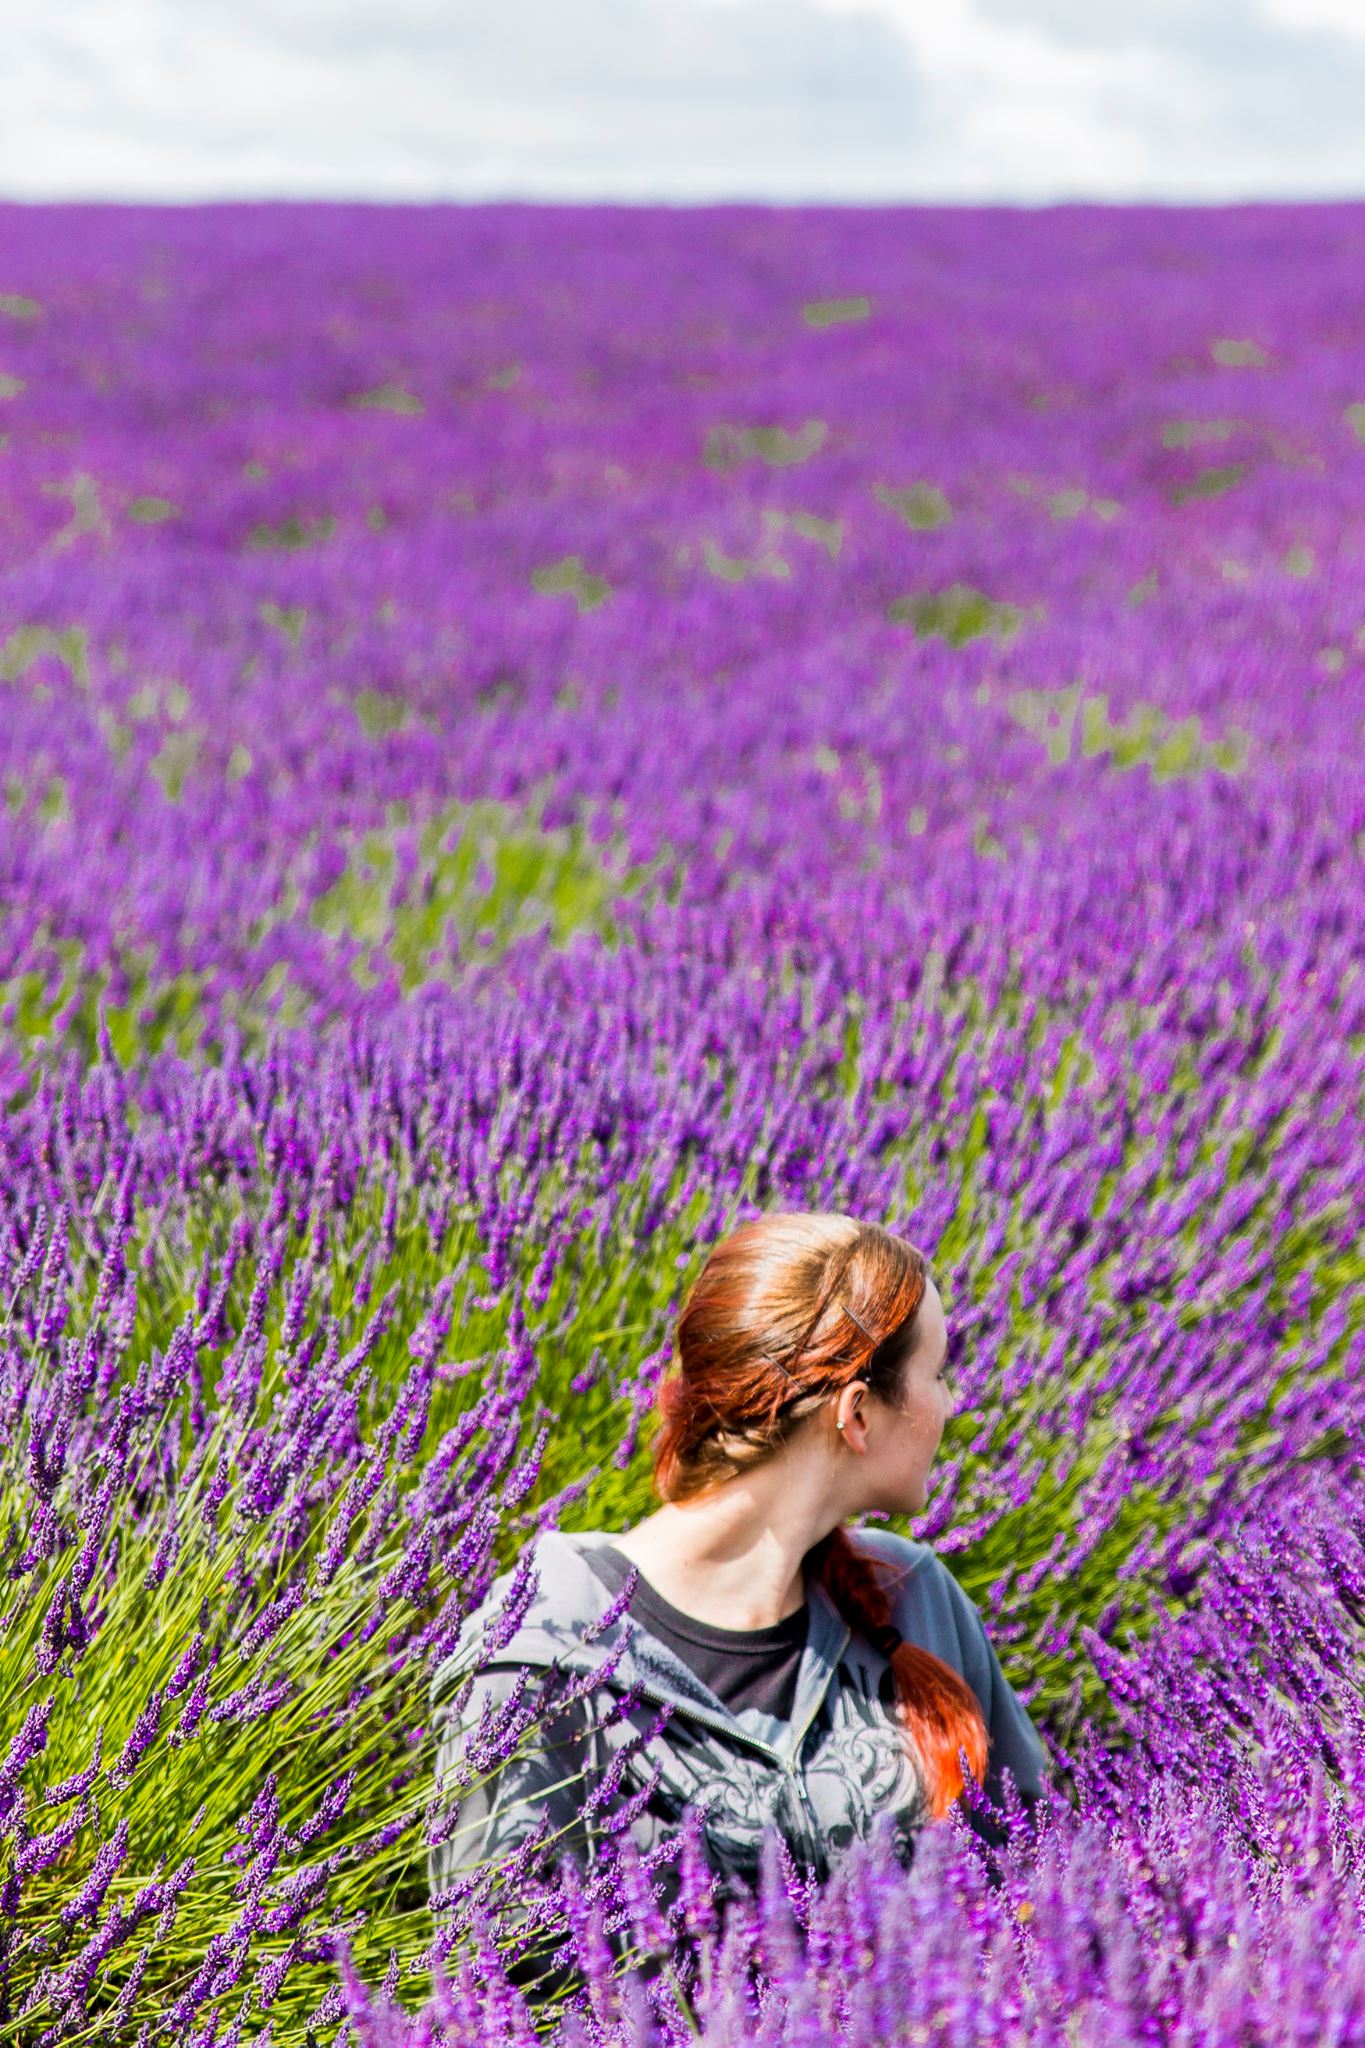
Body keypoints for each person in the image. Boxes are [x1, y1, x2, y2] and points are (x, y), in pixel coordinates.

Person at [428, 1211, 1048, 2000]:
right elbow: (497, 1995)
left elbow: (1039, 1889)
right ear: (857, 1413)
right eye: (937, 1373)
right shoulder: (535, 1667)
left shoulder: (915, 1600)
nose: (953, 1404)